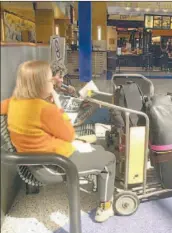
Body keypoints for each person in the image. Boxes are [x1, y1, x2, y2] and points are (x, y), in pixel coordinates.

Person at [0, 60, 116, 223]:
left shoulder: (14, 102)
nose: (53, 82)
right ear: (40, 83)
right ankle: (105, 207)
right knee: (109, 159)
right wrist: (57, 102)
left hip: (39, 162)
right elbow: (69, 134)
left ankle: (99, 182)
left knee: (97, 149)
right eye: (50, 79)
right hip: (55, 165)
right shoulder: (44, 109)